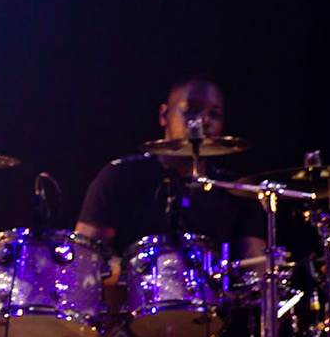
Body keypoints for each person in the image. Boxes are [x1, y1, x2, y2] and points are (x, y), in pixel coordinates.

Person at [75, 75, 268, 268]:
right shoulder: (120, 176)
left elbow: (255, 264)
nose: (204, 121)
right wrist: (131, 274)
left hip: (212, 296)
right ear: (164, 115)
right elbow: (85, 254)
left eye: (214, 114)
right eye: (191, 110)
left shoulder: (235, 189)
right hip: (136, 294)